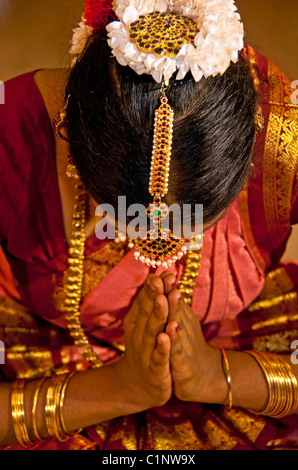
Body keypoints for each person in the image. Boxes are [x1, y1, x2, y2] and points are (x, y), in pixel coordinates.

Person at [0, 0, 298, 450]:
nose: (161, 247)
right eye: (125, 221)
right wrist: (118, 389)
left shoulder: (286, 138)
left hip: (239, 341)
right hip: (42, 348)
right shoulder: (11, 140)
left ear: (249, 154)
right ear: (71, 143)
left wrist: (219, 375)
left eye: (195, 224)